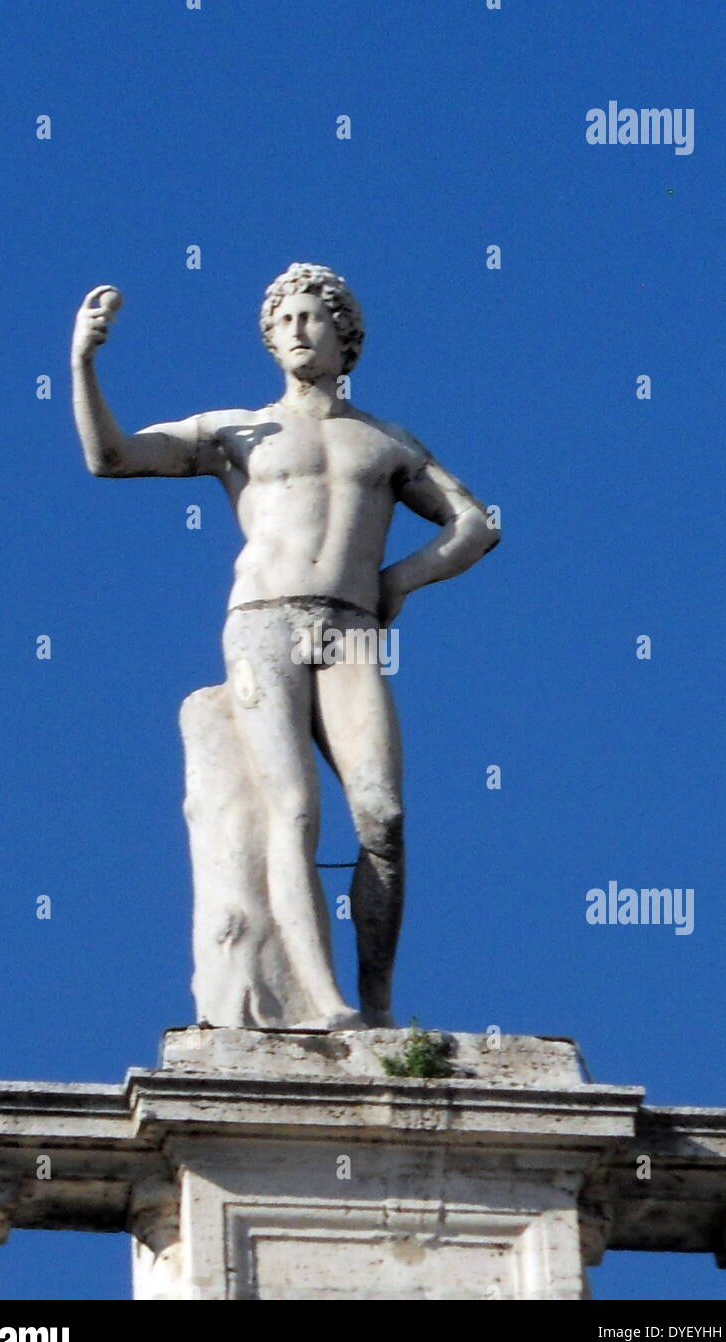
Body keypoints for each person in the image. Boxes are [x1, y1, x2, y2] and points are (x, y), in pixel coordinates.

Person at [71, 263, 500, 1028]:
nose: (298, 332)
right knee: (294, 810)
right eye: (284, 322)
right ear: (269, 341)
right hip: (264, 622)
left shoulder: (386, 441)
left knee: (383, 816)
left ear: (346, 335)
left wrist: (400, 579)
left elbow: (475, 524)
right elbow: (112, 456)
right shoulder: (238, 429)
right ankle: (322, 1000)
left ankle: (378, 1007)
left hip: (351, 628)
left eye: (312, 318)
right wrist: (84, 363)